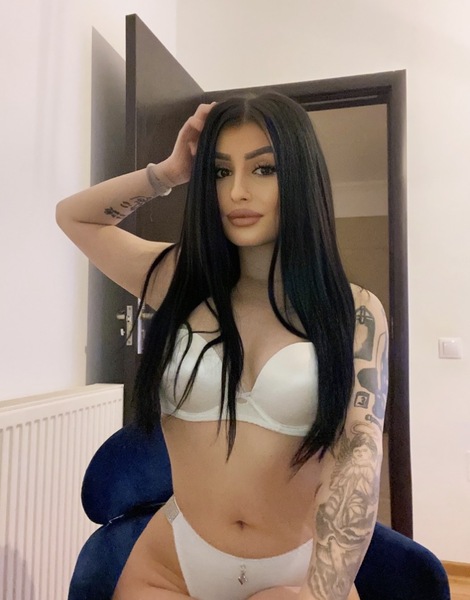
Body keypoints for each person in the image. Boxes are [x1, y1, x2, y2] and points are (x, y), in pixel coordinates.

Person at [56, 92, 388, 600]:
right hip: (171, 565)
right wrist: (169, 172)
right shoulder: (176, 277)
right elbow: (74, 217)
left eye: (263, 169)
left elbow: (359, 454)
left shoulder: (354, 311)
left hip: (297, 573)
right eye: (219, 171)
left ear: (300, 176)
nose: (236, 192)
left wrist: (322, 592)